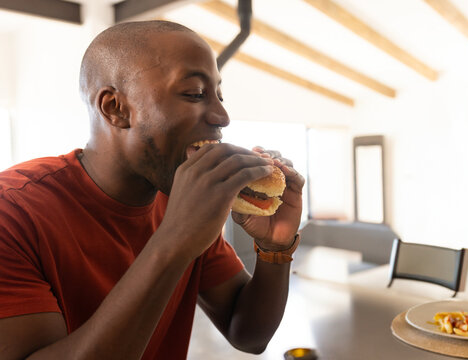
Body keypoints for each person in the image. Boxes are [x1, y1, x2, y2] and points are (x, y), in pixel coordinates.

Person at [0, 20, 304, 360]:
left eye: (219, 95)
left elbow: (247, 334)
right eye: (194, 94)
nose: (222, 116)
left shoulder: (180, 196)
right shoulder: (12, 212)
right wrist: (174, 241)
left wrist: (273, 249)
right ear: (115, 108)